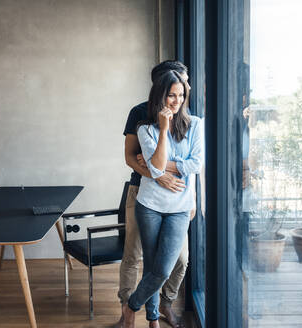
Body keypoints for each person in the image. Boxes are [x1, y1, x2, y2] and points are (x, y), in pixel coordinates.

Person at [123, 70, 203, 328]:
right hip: (150, 206)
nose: (176, 100)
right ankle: (153, 318)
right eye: (171, 95)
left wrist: (167, 166)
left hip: (179, 208)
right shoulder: (145, 128)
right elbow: (155, 168)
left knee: (164, 269)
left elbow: (197, 164)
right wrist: (164, 129)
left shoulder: (196, 125)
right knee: (150, 264)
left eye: (181, 95)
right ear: (160, 95)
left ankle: (132, 307)